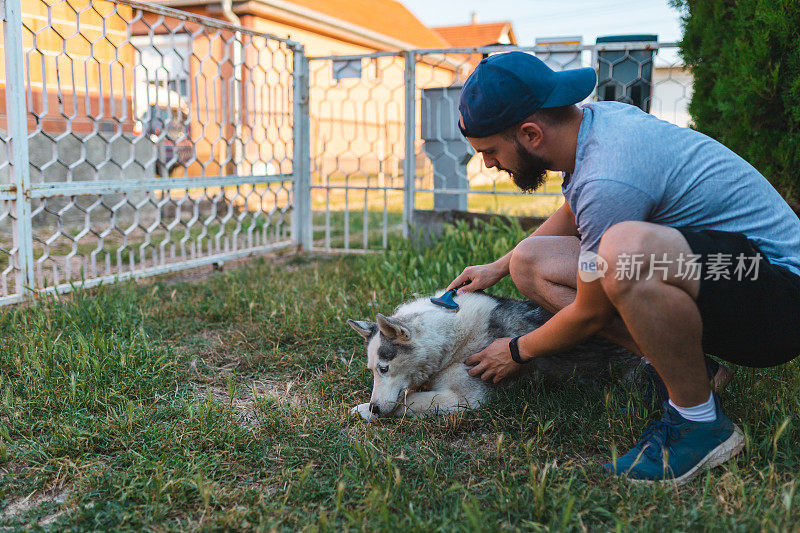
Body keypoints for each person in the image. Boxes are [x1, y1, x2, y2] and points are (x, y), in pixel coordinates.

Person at [447, 51, 800, 484]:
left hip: (778, 295)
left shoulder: (608, 177)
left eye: (490, 151)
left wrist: (518, 349)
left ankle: (699, 423)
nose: (487, 164)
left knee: (624, 250)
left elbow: (591, 310)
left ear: (530, 133)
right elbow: (578, 212)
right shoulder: (595, 125)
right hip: (731, 274)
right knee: (530, 262)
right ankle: (689, 370)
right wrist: (500, 266)